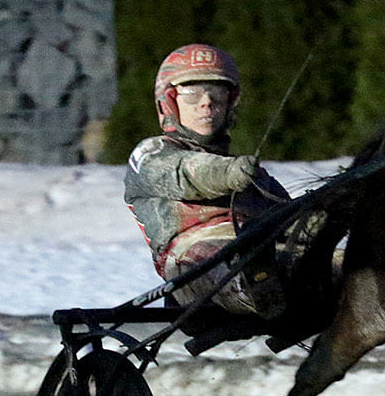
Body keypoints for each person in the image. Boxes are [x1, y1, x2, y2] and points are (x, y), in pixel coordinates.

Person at [125, 43, 296, 320]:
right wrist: (228, 174)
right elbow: (184, 172)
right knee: (237, 263)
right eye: (192, 94)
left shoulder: (248, 173)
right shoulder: (151, 153)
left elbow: (290, 217)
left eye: (217, 92)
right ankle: (269, 288)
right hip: (192, 265)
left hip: (263, 250)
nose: (207, 102)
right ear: (168, 102)